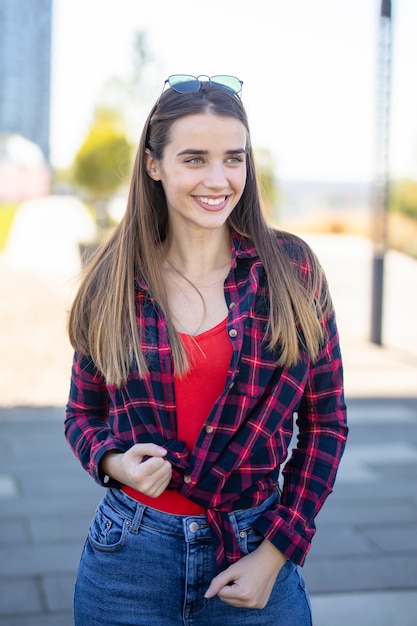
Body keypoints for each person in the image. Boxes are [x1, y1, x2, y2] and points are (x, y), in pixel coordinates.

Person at [65, 74, 348, 626]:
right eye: (194, 159)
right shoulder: (111, 278)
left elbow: (327, 423)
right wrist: (113, 461)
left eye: (233, 159)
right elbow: (81, 413)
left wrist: (276, 553)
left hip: (254, 550)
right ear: (154, 164)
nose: (218, 179)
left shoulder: (292, 270)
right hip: (127, 560)